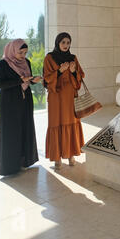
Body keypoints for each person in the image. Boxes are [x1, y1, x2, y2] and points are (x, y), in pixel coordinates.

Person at [0, 39, 41, 176]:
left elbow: (27, 80)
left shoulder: (26, 63)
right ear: (13, 50)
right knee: (11, 133)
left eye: (25, 52)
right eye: (20, 52)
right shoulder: (3, 64)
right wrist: (20, 80)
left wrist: (33, 80)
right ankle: (10, 166)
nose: (23, 55)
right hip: (9, 103)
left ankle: (24, 161)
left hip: (25, 101)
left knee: (25, 129)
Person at [43, 32, 85, 170]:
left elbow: (79, 80)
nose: (66, 45)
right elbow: (46, 80)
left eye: (68, 42)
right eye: (63, 42)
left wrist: (73, 71)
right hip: (56, 97)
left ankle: (71, 154)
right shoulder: (49, 58)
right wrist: (59, 71)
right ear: (57, 43)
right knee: (56, 123)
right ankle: (57, 158)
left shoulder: (73, 58)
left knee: (71, 122)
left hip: (70, 97)